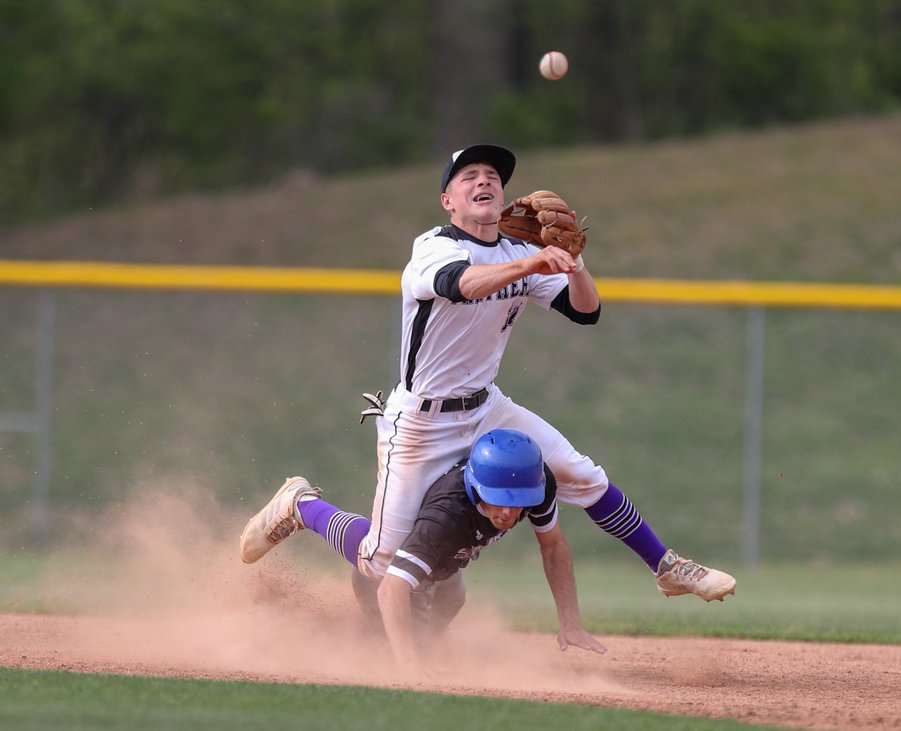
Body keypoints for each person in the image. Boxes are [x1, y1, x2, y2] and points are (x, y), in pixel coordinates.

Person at [240, 143, 734, 624]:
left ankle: (667, 566)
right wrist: (534, 262)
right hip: (420, 422)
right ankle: (302, 506)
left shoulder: (522, 250)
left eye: (493, 176)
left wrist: (574, 261)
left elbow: (586, 311)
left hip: (487, 409)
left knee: (582, 475)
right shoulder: (433, 248)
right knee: (380, 561)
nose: (485, 180)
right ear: (448, 201)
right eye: (469, 175)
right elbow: (464, 284)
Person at [242, 428, 607, 663]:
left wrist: (570, 623)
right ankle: (302, 506)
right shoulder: (446, 516)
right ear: (477, 486)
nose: (510, 511)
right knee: (381, 566)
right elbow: (392, 588)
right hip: (383, 581)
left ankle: (392, 640)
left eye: (519, 500)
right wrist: (409, 673)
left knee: (452, 599)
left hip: (440, 569)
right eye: (500, 499)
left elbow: (554, 547)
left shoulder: (536, 483)